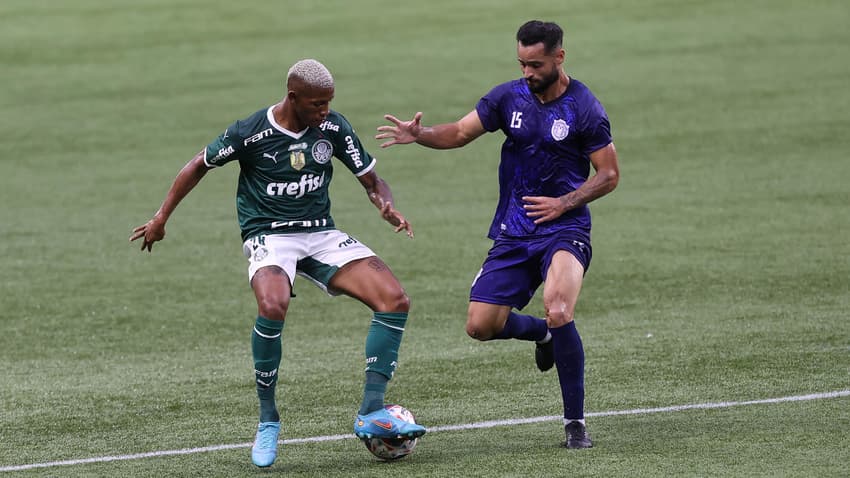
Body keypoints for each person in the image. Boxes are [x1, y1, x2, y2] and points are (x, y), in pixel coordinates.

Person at [130, 59, 426, 467]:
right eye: (317, 104)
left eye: (328, 103)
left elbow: (373, 180)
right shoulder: (250, 132)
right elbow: (197, 165)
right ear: (293, 97)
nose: (324, 111)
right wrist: (161, 218)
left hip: (320, 233)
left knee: (395, 299)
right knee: (272, 305)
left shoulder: (333, 128)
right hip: (269, 236)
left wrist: (385, 204)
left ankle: (371, 410)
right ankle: (268, 418)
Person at [375, 20, 619, 448]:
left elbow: (610, 174)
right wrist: (421, 135)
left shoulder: (585, 108)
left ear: (559, 58)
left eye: (536, 64)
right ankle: (542, 334)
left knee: (559, 306)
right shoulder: (508, 97)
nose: (528, 72)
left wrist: (564, 204)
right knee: (481, 326)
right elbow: (459, 132)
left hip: (565, 228)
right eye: (522, 63)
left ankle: (575, 424)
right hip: (514, 231)